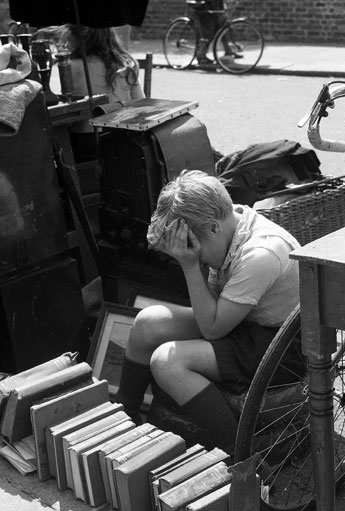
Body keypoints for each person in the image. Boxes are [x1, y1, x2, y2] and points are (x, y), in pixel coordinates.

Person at [115, 170, 301, 454]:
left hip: (280, 345)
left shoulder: (260, 254)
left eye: (198, 253)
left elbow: (212, 330)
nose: (198, 260)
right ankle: (125, 419)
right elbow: (213, 309)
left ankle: (240, 450)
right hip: (245, 323)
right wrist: (195, 259)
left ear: (213, 228)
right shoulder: (226, 227)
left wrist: (190, 267)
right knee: (147, 322)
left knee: (167, 362)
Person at [65, 25, 145, 161]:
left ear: (79, 39)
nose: (66, 45)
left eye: (68, 39)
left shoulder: (70, 66)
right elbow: (141, 104)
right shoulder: (124, 65)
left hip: (86, 140)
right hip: (123, 138)